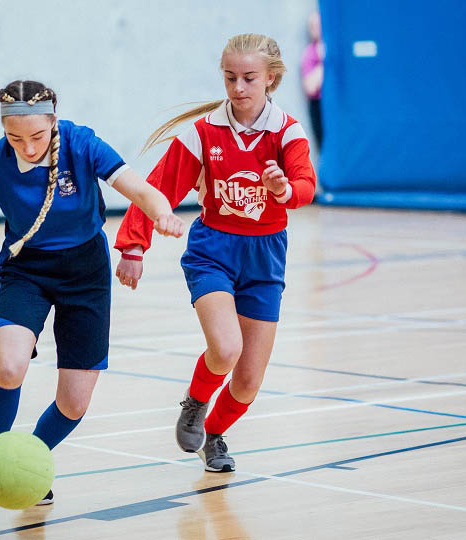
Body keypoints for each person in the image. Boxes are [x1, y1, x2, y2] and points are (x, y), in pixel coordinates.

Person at [0, 80, 185, 511]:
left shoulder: (81, 143)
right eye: (15, 137)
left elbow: (136, 186)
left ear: (54, 120)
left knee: (74, 402)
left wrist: (161, 211)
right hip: (26, 268)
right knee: (10, 365)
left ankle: (26, 464)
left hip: (85, 273)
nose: (28, 146)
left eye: (37, 136)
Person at [114, 34, 316, 472]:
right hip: (214, 250)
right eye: (230, 78)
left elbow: (306, 187)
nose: (238, 87)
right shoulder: (204, 133)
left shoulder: (287, 132)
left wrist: (284, 190)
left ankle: (215, 435)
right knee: (225, 350)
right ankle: (195, 402)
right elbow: (158, 188)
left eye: (249, 78)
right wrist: (133, 244)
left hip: (266, 256)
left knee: (246, 383)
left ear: (271, 80)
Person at [301, 11, 325, 150]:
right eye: (312, 26)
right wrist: (323, 62)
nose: (315, 30)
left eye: (318, 25)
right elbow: (310, 87)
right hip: (319, 106)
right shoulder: (310, 53)